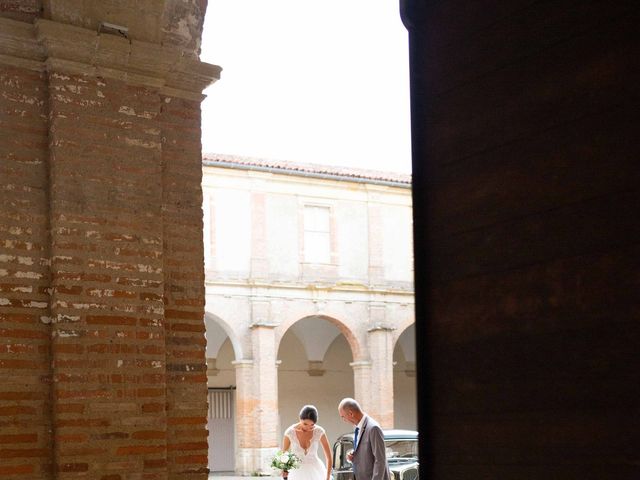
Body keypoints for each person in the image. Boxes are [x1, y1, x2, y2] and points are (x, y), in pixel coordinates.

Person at [338, 397, 390, 480]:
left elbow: (380, 460)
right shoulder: (358, 427)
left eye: (343, 417)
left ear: (351, 414)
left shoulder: (373, 428)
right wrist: (354, 455)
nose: (343, 420)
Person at [281, 405, 333, 480]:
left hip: (316, 471)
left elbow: (329, 457)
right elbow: (284, 455)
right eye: (305, 424)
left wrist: (327, 477)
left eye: (312, 425)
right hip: (296, 473)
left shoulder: (319, 431)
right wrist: (284, 470)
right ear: (300, 418)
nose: (308, 428)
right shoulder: (290, 432)